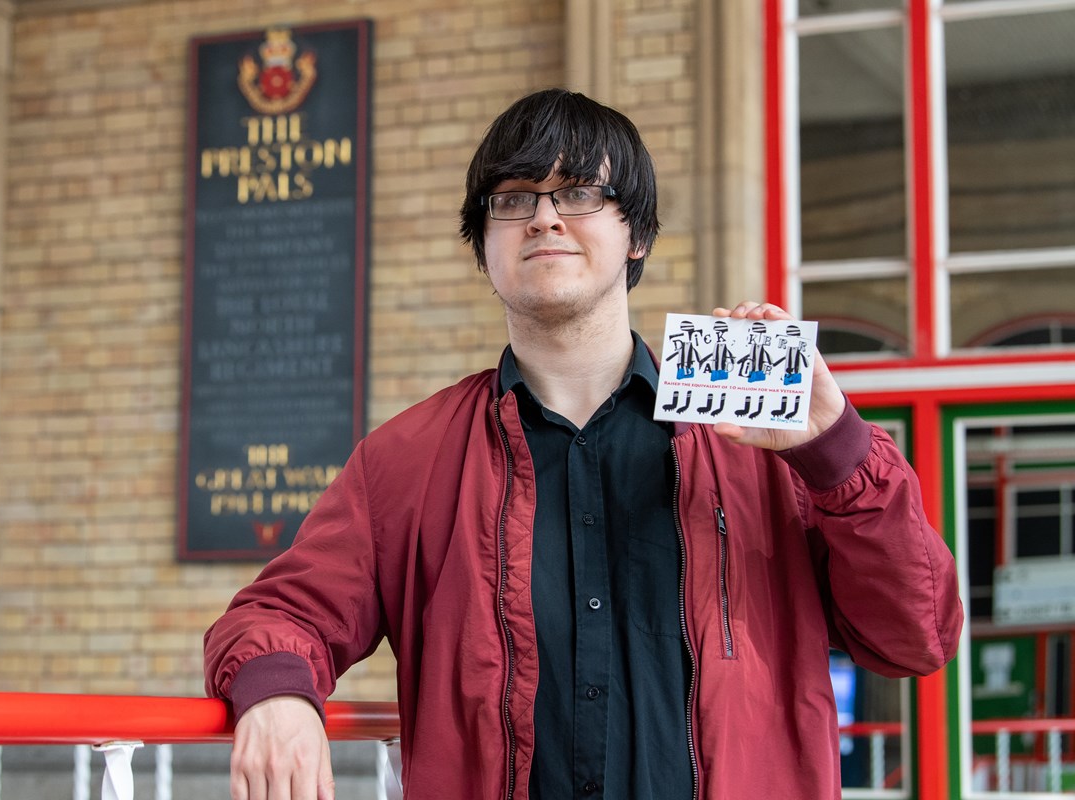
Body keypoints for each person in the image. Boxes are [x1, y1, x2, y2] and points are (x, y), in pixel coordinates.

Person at [204, 88, 964, 800]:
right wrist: (277, 695)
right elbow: (281, 611)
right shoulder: (406, 460)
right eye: (513, 201)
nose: (543, 218)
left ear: (636, 234)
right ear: (484, 247)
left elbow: (916, 637)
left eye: (580, 193)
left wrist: (836, 451)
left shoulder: (756, 439)